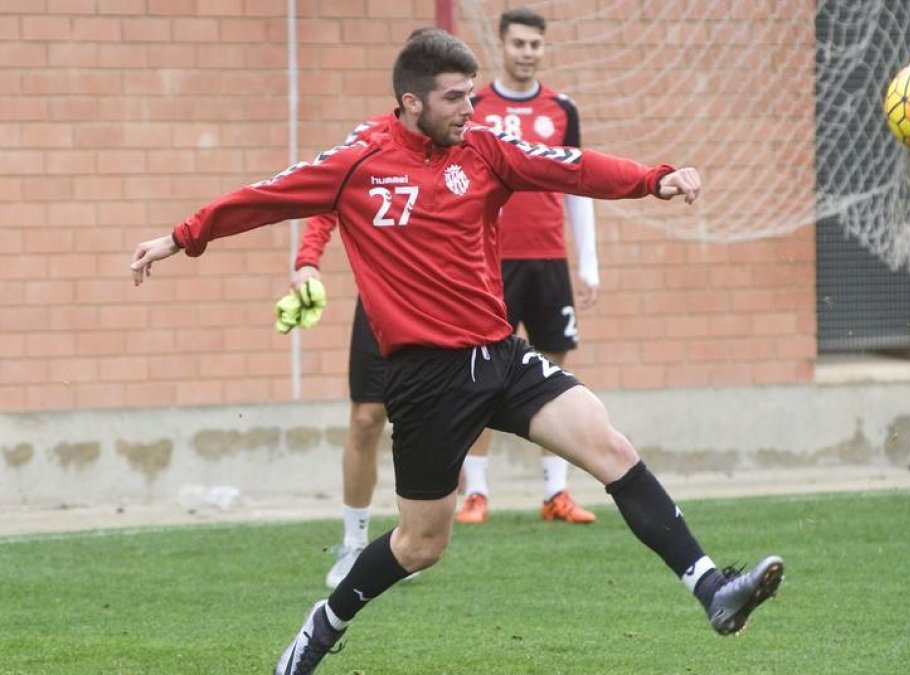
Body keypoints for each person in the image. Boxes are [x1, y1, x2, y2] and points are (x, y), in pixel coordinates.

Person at [130, 29, 783, 675]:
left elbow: (570, 166)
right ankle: (323, 625)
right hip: (424, 381)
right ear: (412, 102)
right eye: (454, 99)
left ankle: (711, 588)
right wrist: (183, 237)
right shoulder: (359, 161)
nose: (469, 110)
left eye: (471, 96)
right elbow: (265, 196)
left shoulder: (485, 150)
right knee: (420, 544)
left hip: (499, 356)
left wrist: (653, 179)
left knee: (610, 445)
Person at [458, 7, 598, 525]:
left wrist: (589, 265)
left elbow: (579, 184)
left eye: (535, 44)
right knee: (479, 375)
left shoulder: (562, 109)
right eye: (518, 43)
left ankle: (555, 493)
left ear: (543, 48)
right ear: (501, 44)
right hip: (487, 266)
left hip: (548, 261)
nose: (527, 52)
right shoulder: (473, 106)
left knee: (554, 371)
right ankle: (475, 491)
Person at [288, 117, 394, 589]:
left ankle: (411, 543)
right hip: (380, 303)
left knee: (429, 424)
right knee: (367, 419)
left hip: (447, 309)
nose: (461, 103)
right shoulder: (369, 139)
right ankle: (354, 543)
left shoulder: (467, 141)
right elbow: (326, 198)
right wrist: (307, 260)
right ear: (412, 94)